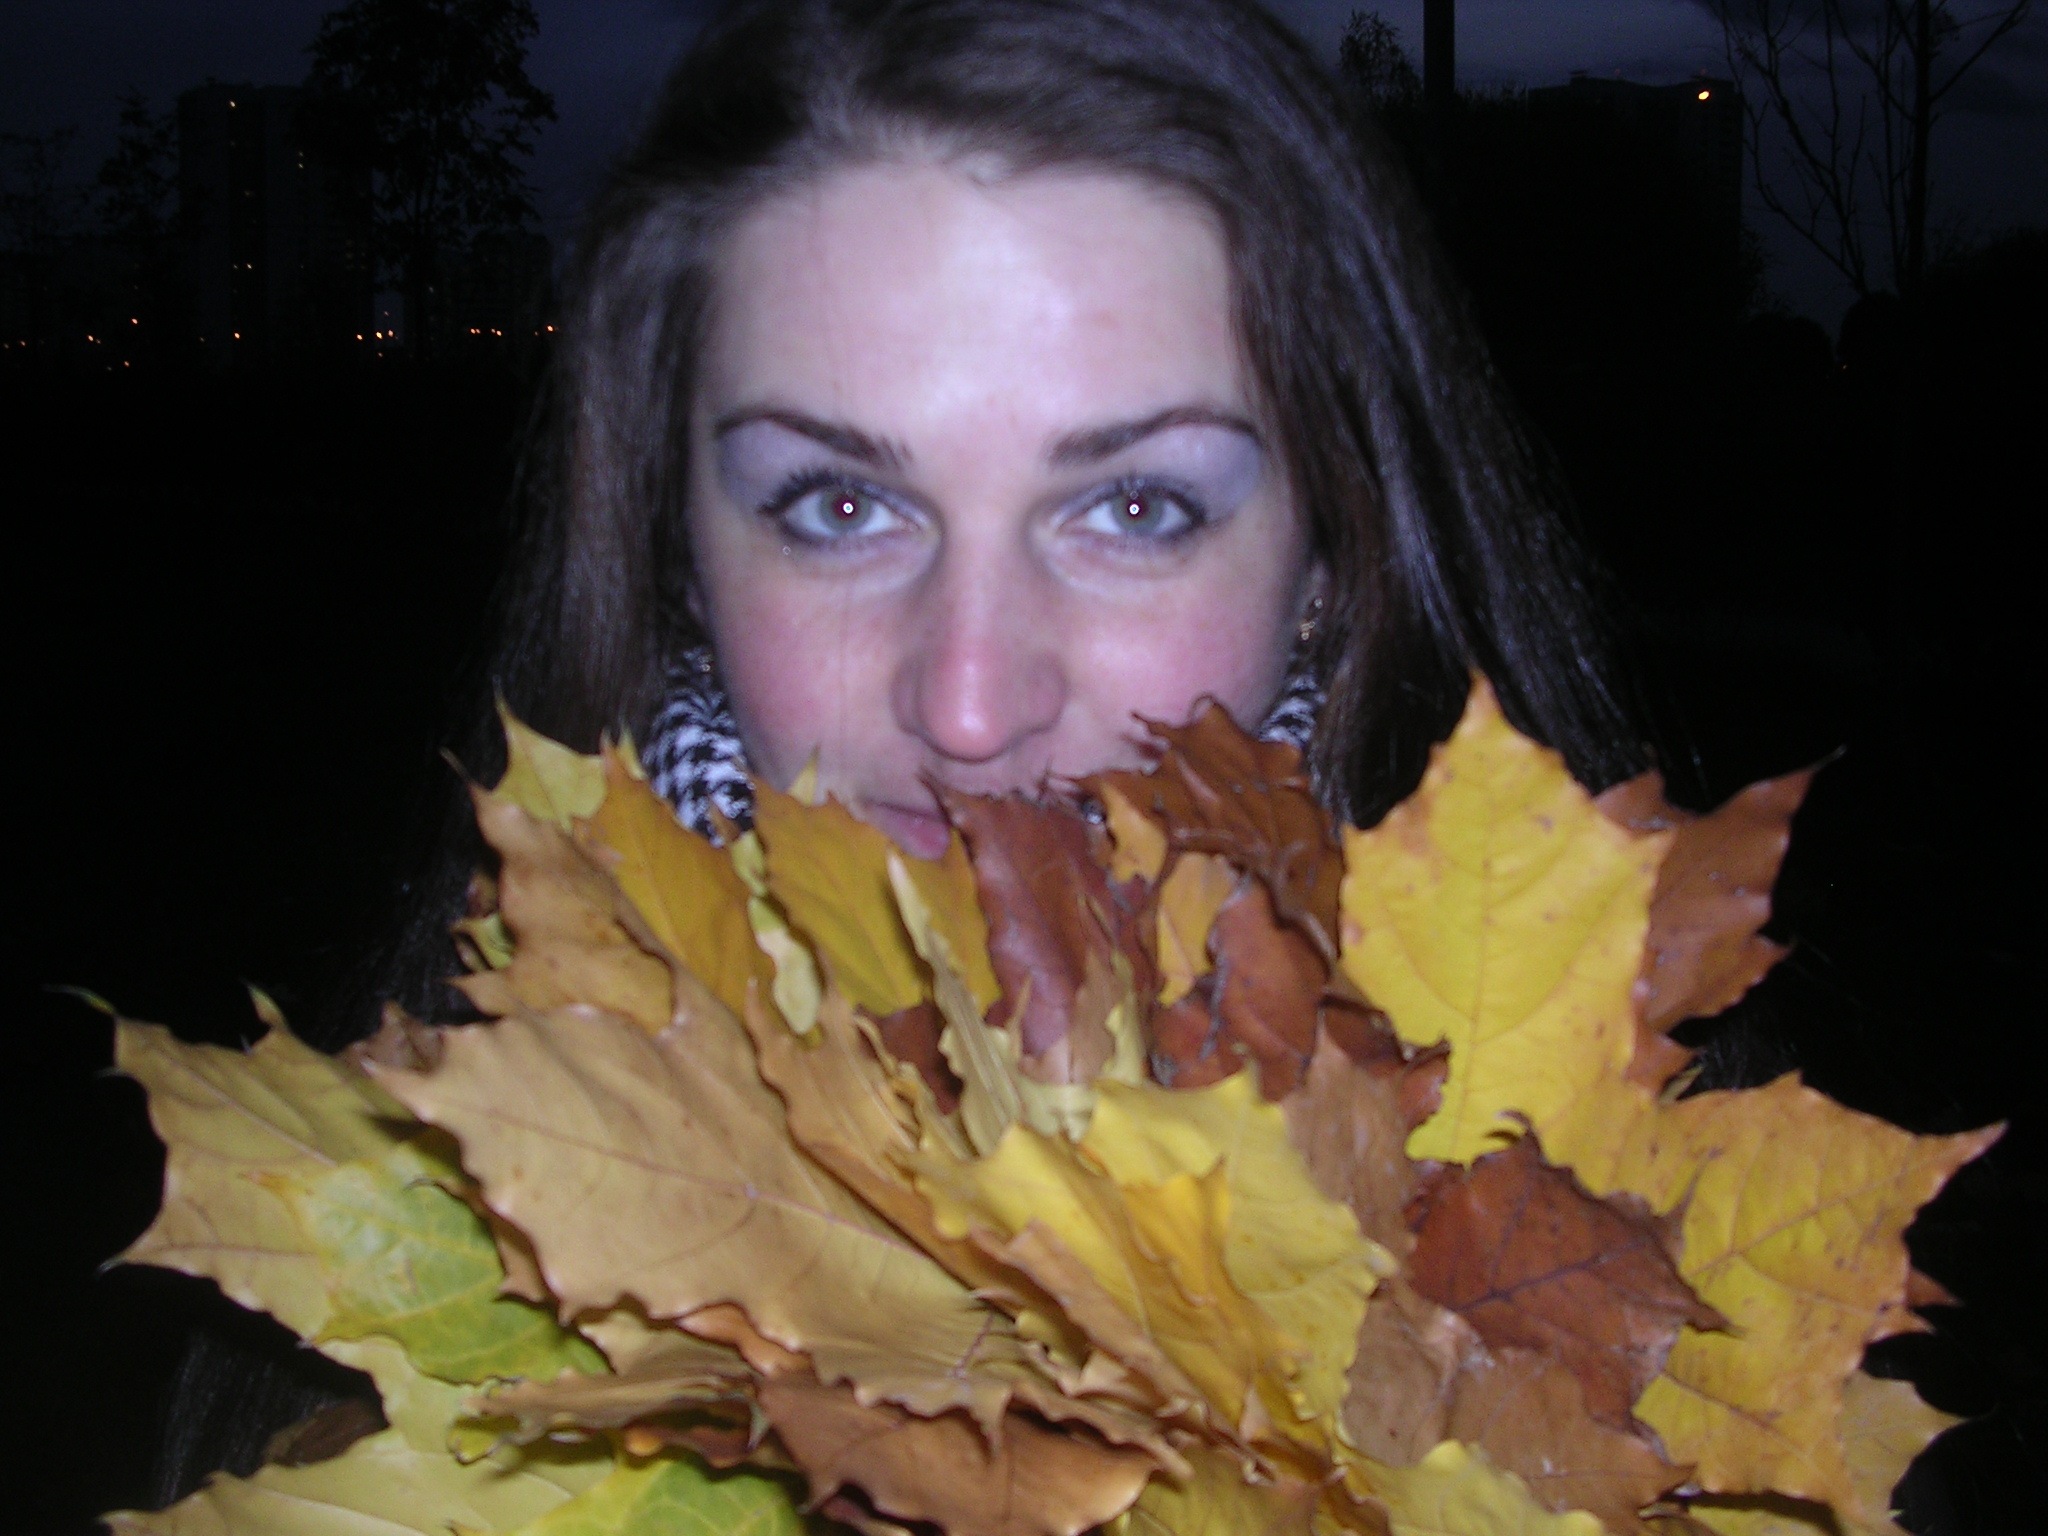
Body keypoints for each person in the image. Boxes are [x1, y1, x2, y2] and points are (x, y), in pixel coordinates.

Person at [152, 0, 1642, 1504]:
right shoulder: (416, 1258)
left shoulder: (1620, 1247)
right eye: (840, 506)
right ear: (680, 557)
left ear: (1330, 560)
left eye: (1135, 507)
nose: (971, 706)